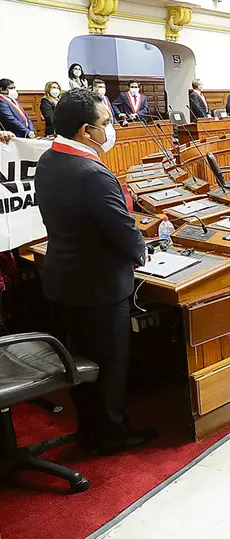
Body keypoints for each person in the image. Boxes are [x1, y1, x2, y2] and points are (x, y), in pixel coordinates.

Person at [34, 87, 156, 455]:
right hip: (100, 287)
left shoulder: (48, 159)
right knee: (109, 365)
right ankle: (112, 436)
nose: (112, 128)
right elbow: (121, 228)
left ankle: (89, 427)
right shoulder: (93, 173)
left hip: (63, 279)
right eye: (107, 122)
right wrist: (142, 252)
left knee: (80, 364)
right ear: (86, 131)